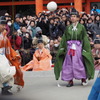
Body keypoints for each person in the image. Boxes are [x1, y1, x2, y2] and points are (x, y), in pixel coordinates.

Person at [54, 10, 94, 87]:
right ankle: (70, 80)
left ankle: (83, 79)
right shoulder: (68, 28)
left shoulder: (81, 27)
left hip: (78, 47)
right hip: (69, 47)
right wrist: (62, 48)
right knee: (68, 63)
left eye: (74, 16)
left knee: (79, 62)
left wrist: (86, 49)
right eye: (71, 16)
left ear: (78, 18)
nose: (72, 18)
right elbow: (64, 38)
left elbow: (85, 38)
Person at [0, 16, 24, 95]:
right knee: (3, 71)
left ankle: (5, 87)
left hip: (3, 56)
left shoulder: (4, 35)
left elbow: (8, 47)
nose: (4, 27)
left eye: (4, 25)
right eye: (2, 25)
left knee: (8, 71)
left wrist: (13, 54)